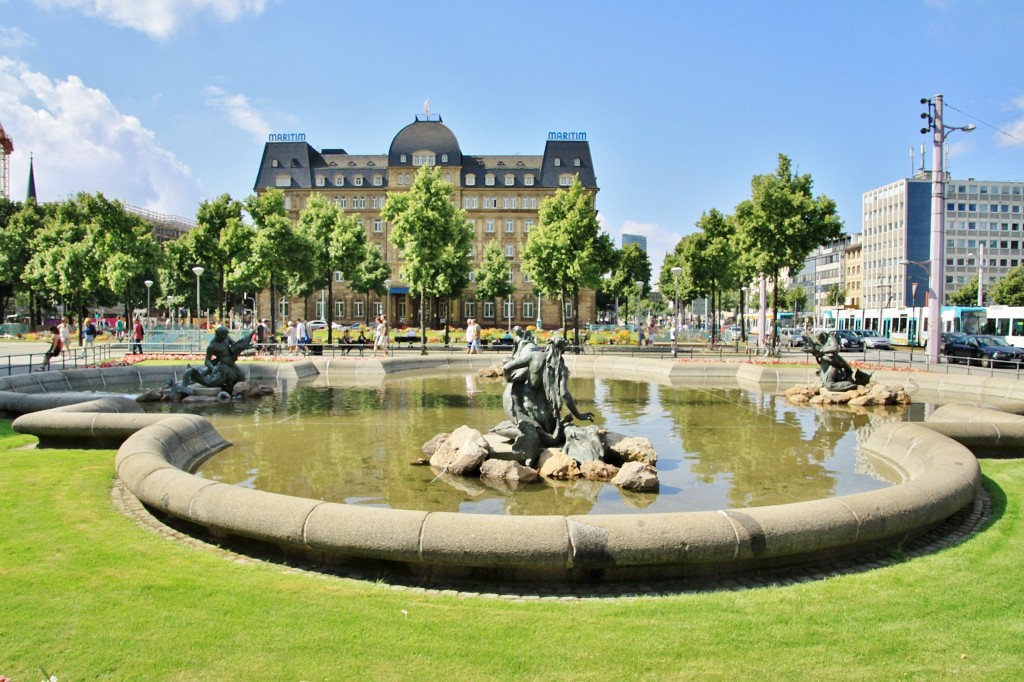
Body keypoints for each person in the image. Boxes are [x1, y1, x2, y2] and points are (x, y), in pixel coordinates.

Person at [179, 326, 255, 392]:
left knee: (241, 377)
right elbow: (207, 361)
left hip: (232, 365)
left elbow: (235, 345)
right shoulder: (212, 346)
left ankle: (227, 387)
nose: (226, 336)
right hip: (223, 367)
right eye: (224, 335)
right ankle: (195, 375)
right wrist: (213, 368)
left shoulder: (226, 338)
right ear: (219, 334)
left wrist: (245, 346)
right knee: (212, 383)